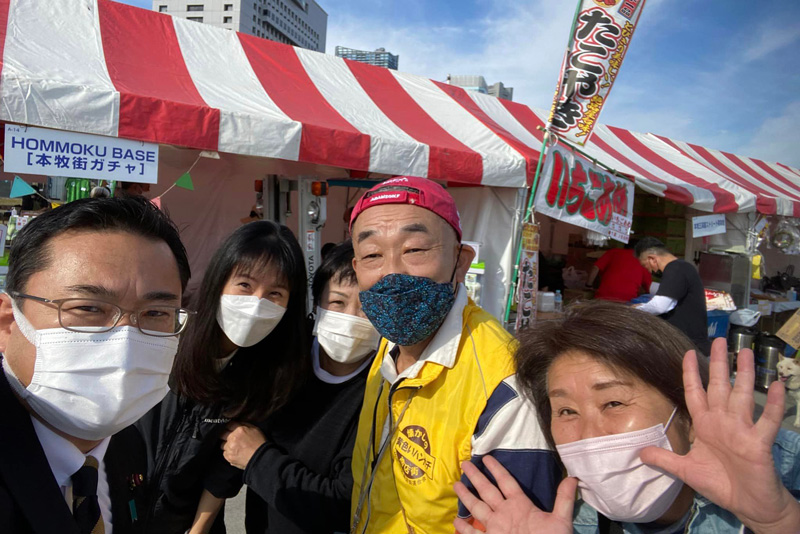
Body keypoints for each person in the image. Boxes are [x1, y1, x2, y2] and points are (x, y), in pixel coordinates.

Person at [455, 301, 800, 534]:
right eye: (567, 411)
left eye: (614, 403)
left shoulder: (785, 468)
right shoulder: (580, 521)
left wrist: (780, 521)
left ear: (690, 414)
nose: (589, 433)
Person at [348, 176, 560, 534]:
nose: (392, 274)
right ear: (356, 269)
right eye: (372, 255)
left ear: (461, 261)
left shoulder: (505, 382)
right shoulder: (388, 342)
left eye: (414, 249)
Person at [0, 196, 192, 533]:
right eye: (88, 308)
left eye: (156, 313)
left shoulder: (127, 445)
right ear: (7, 322)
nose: (125, 342)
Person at [136, 220, 310, 534]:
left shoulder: (271, 375)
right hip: (119, 512)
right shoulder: (165, 338)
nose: (258, 303)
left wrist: (199, 528)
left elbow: (223, 471)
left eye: (275, 293)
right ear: (220, 281)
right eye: (245, 285)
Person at [220, 240, 381, 533]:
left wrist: (258, 458)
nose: (350, 317)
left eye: (367, 307)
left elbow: (345, 503)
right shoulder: (285, 359)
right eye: (337, 302)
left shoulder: (382, 389)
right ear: (317, 304)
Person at [634, 236, 710, 355]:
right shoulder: (683, 267)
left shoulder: (675, 269)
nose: (650, 271)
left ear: (652, 259)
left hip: (687, 347)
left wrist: (636, 310)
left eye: (645, 266)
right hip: (685, 345)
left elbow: (660, 306)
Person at [585, 244, 651, 302]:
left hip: (603, 297)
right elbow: (649, 287)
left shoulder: (613, 252)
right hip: (626, 302)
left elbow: (595, 268)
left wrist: (588, 285)